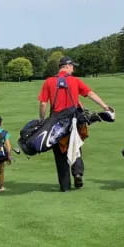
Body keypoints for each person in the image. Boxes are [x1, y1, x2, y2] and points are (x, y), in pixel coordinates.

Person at [38, 56, 113, 192]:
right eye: (73, 66)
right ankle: (77, 173)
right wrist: (105, 106)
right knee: (75, 146)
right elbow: (90, 94)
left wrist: (42, 120)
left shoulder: (48, 82)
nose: (73, 69)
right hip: (73, 120)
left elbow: (43, 103)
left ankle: (65, 186)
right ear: (67, 66)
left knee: (60, 153)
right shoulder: (75, 81)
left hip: (56, 121)